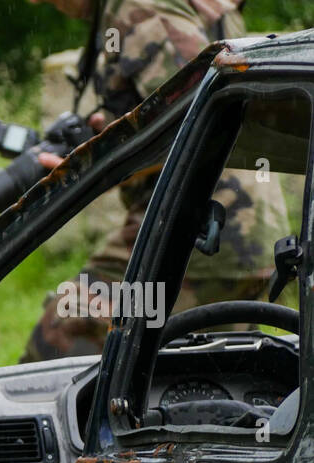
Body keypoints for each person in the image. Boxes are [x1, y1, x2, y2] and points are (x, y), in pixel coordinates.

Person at [21, 0, 286, 362]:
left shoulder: (138, 8)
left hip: (201, 227)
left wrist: (97, 166)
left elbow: (201, 117)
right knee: (210, 375)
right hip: (230, 228)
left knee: (60, 339)